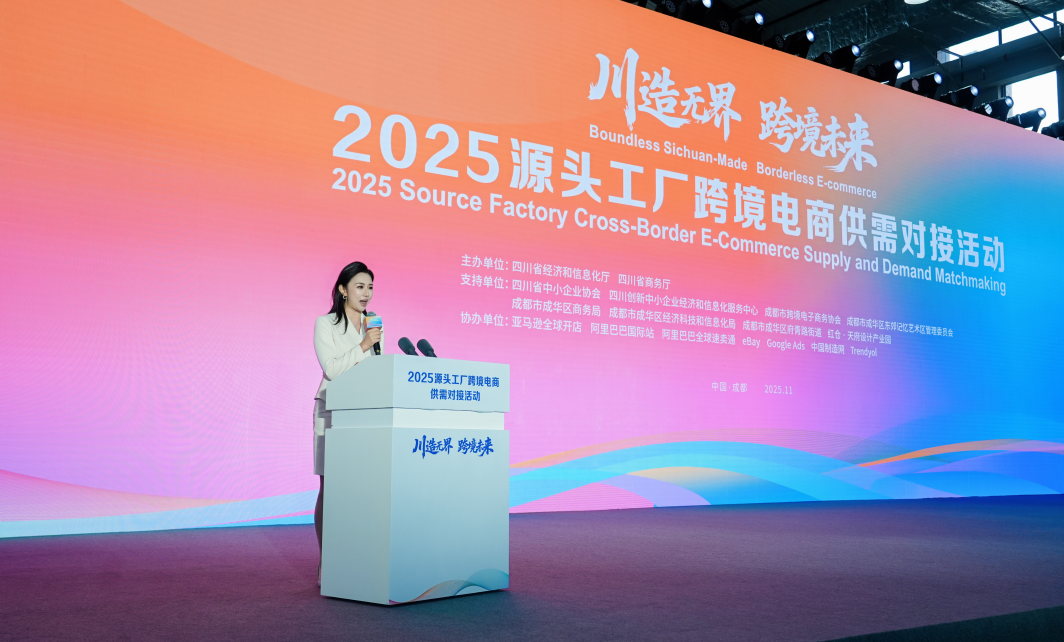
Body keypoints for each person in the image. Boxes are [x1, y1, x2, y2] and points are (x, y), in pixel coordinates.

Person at [312, 261, 382, 586]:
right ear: (343, 289)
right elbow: (332, 369)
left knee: (361, 486)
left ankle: (356, 559)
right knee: (331, 487)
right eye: (359, 286)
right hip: (332, 411)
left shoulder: (373, 325)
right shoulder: (325, 324)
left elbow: (378, 370)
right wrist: (364, 345)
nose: (366, 294)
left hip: (365, 413)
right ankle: (327, 561)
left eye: (370, 287)